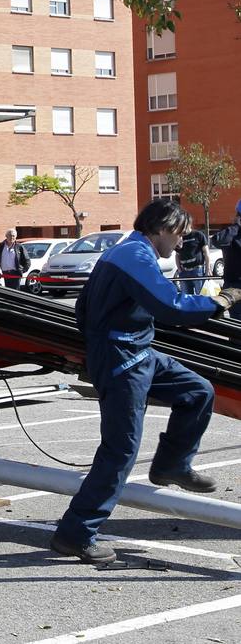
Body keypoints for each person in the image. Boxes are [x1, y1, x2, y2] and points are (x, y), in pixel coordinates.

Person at [51, 199, 241, 564]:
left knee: (197, 391)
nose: (183, 241)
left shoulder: (128, 253)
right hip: (124, 360)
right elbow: (170, 306)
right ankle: (75, 533)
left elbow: (83, 308)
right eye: (181, 233)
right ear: (163, 227)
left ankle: (173, 464)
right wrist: (219, 302)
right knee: (120, 451)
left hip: (136, 353)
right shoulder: (133, 257)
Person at [211, 199, 241, 318]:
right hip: (234, 288)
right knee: (236, 328)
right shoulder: (232, 233)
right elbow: (217, 240)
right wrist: (236, 226)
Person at [176, 227, 208, 296]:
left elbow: (206, 253)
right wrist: (179, 269)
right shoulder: (180, 237)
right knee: (185, 297)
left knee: (200, 296)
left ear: (189, 224)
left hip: (197, 270)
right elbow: (177, 255)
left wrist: (208, 270)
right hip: (184, 271)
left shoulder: (198, 235)